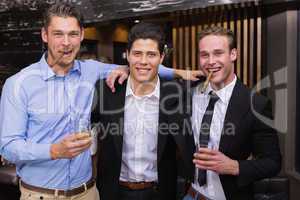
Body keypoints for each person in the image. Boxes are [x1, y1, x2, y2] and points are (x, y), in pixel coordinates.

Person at [0, 3, 200, 200]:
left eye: (72, 34)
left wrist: (180, 73)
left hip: (87, 192)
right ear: (45, 35)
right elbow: (8, 146)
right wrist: (53, 150)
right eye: (58, 34)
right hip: (40, 194)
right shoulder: (18, 84)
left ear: (81, 35)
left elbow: (141, 65)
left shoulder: (91, 70)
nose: (66, 42)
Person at [91, 22, 195, 200]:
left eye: (151, 54)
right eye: (137, 54)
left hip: (160, 192)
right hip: (113, 192)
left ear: (162, 57)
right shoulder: (106, 91)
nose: (143, 61)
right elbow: (86, 129)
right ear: (128, 55)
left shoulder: (177, 94)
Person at [183, 27, 281, 200]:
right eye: (204, 55)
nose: (211, 61)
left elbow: (273, 163)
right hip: (192, 195)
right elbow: (147, 68)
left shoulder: (256, 104)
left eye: (218, 53)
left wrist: (234, 166)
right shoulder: (189, 93)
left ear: (233, 54)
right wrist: (124, 69)